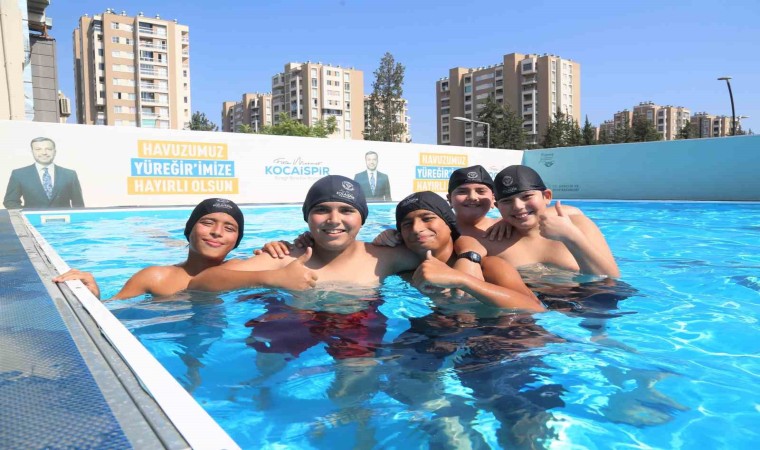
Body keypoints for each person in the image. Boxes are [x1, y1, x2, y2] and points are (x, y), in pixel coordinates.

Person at [374, 164, 619, 278]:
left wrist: (570, 234)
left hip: (593, 307)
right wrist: (391, 236)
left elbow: (611, 281)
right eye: (508, 202)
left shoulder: (572, 222)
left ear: (492, 200)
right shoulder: (471, 238)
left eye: (526, 197)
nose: (518, 207)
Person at [53, 198, 309, 299]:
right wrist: (94, 296)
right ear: (190, 230)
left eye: (229, 228)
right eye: (207, 223)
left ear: (236, 241)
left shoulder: (242, 268)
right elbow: (112, 312)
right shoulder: (155, 277)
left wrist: (293, 243)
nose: (217, 232)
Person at [3, 137, 85, 209]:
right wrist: (27, 215)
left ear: (55, 151)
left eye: (48, 149)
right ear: (32, 152)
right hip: (32, 220)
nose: (44, 153)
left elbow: (78, 205)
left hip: (63, 221)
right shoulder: (19, 174)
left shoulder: (70, 175)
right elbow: (10, 201)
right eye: (38, 149)